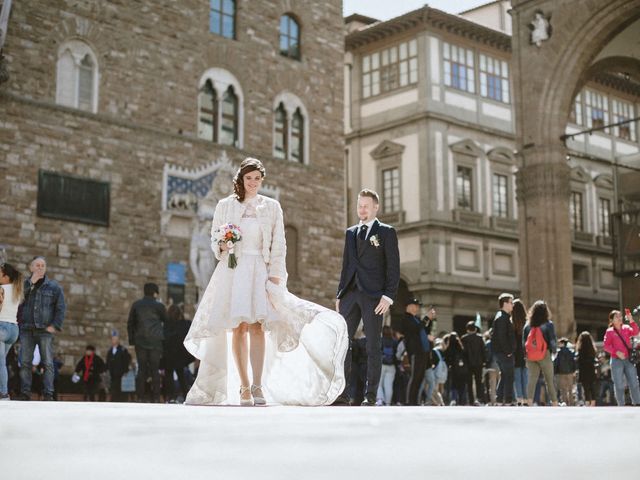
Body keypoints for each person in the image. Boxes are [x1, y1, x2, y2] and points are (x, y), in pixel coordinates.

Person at [184, 158, 348, 406]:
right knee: (238, 328)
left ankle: (258, 384)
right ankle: (244, 387)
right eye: (248, 178)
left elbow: (279, 244)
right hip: (233, 270)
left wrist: (276, 276)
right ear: (241, 179)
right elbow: (215, 240)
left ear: (262, 181)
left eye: (257, 179)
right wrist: (223, 245)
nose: (252, 183)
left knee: (258, 326)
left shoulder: (272, 207)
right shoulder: (224, 205)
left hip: (260, 270)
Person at [335, 188, 400, 406]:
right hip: (350, 294)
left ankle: (370, 396)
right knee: (342, 344)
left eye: (365, 205)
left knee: (373, 346)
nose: (361, 209)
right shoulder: (350, 233)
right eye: (359, 205)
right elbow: (346, 265)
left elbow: (393, 267)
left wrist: (388, 297)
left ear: (375, 207)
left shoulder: (386, 232)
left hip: (374, 296)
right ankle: (341, 394)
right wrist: (339, 294)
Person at [18, 256, 66, 401]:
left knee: (48, 363)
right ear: (31, 268)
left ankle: (48, 394)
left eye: (42, 265)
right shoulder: (23, 285)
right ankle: (25, 393)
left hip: (45, 331)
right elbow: (17, 301)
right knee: (25, 362)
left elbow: (61, 307)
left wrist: (55, 325)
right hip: (26, 329)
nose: (40, 268)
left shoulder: (54, 287)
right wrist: (30, 284)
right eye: (37, 265)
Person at [127, 282, 167, 403]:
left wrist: (132, 340)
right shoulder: (159, 306)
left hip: (140, 341)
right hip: (155, 342)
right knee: (155, 370)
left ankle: (140, 396)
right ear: (155, 293)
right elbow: (166, 321)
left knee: (142, 369)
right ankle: (155, 397)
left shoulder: (136, 305)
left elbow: (130, 323)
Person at [523, 300, 558, 406]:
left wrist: (526, 354)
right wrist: (554, 352)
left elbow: (524, 342)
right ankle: (555, 402)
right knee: (549, 380)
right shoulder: (548, 324)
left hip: (531, 355)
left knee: (532, 379)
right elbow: (552, 340)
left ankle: (529, 401)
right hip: (544, 354)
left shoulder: (528, 325)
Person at [602, 309, 640, 406]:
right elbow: (606, 346)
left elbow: (636, 332)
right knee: (619, 385)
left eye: (620, 316)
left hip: (628, 359)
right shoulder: (609, 331)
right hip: (616, 361)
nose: (620, 318)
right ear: (612, 320)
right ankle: (621, 405)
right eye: (617, 317)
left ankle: (637, 403)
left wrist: (631, 320)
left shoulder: (626, 328)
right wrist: (616, 352)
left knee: (634, 382)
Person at [398, 298, 431, 406]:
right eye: (416, 305)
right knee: (415, 376)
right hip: (415, 351)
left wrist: (428, 321)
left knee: (420, 377)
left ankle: (414, 400)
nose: (417, 308)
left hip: (422, 352)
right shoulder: (406, 318)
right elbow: (416, 329)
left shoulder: (415, 318)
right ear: (409, 306)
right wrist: (426, 318)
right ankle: (409, 400)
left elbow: (422, 329)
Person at [0, 263, 23, 400]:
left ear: (6, 276)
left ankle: (3, 393)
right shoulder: (17, 290)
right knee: (2, 363)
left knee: (1, 363)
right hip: (14, 330)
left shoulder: (1, 289)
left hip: (1, 327)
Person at [163, 304, 193, 403]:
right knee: (181, 376)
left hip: (169, 354)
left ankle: (171, 396)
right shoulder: (184, 324)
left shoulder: (167, 324)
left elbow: (165, 339)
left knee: (169, 376)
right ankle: (185, 395)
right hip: (179, 355)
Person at [491, 293, 515, 405]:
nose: (512, 305)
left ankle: (500, 399)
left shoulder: (502, 316)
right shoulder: (502, 317)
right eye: (511, 302)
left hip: (501, 352)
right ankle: (508, 400)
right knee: (509, 375)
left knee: (505, 375)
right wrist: (508, 351)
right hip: (503, 353)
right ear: (504, 303)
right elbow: (501, 337)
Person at [461, 321, 485, 405]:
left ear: (467, 329)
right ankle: (479, 399)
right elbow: (483, 351)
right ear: (475, 329)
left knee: (469, 383)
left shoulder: (464, 338)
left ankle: (471, 400)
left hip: (468, 364)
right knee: (479, 382)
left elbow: (462, 352)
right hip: (479, 363)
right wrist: (485, 361)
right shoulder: (480, 338)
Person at [106, 330, 131, 402]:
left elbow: (126, 360)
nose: (114, 341)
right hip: (112, 374)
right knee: (113, 389)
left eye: (116, 339)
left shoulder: (123, 350)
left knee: (121, 390)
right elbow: (108, 361)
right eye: (113, 339)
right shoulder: (110, 351)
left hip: (121, 374)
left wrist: (125, 370)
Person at [511, 299, 528, 406]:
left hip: (515, 353)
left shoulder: (512, 323)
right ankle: (526, 399)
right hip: (526, 352)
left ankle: (519, 399)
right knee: (525, 376)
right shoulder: (527, 323)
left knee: (517, 377)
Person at [376, 325, 397, 406]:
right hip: (391, 366)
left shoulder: (380, 340)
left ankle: (380, 400)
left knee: (379, 384)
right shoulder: (394, 341)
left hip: (381, 365)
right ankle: (388, 403)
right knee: (389, 385)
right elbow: (397, 354)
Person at [575, 331, 597, 407]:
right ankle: (593, 402)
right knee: (592, 386)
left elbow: (578, 361)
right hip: (591, 369)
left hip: (583, 370)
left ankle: (587, 402)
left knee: (586, 386)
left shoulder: (580, 349)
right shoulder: (592, 350)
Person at [554, 337, 576, 406]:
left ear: (563, 343)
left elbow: (556, 363)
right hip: (570, 372)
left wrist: (555, 371)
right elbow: (574, 362)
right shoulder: (571, 352)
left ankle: (564, 402)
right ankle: (571, 403)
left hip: (561, 373)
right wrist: (574, 370)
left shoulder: (559, 353)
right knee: (570, 389)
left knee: (563, 389)